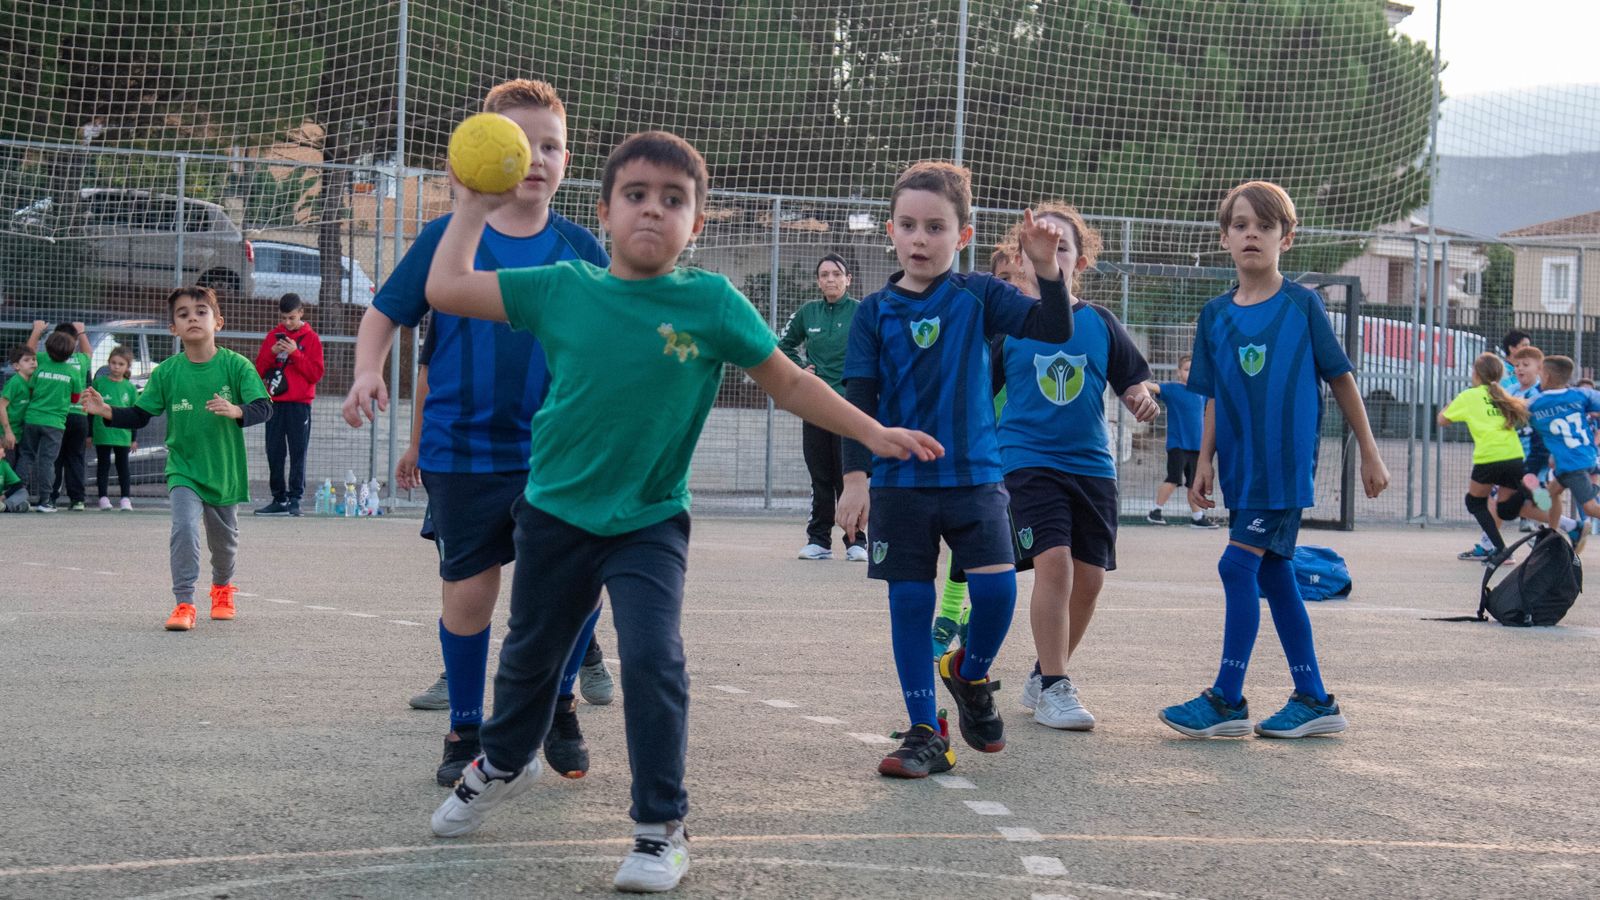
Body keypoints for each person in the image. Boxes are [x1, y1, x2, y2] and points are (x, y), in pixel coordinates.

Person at [421, 129, 939, 893]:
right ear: (604, 213)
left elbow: (792, 384)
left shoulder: (709, 302)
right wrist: (469, 206)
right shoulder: (562, 286)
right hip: (554, 513)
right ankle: (499, 761)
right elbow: (447, 287)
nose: (653, 212)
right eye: (636, 196)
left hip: (649, 520)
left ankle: (660, 828)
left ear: (696, 224)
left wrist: (872, 432)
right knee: (528, 659)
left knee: (656, 659)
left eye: (674, 201)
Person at [343, 79, 616, 788]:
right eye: (521, 144)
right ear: (481, 154)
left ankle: (557, 702)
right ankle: (466, 725)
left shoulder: (581, 246)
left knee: (579, 586)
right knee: (470, 594)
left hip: (560, 450)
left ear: (567, 158)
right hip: (462, 449)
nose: (537, 158)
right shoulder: (445, 238)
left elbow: (616, 333)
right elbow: (384, 312)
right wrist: (367, 369)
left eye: (551, 145)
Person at [835, 161, 1075, 779]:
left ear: (961, 236)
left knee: (996, 593)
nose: (920, 238)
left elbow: (1052, 328)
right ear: (891, 230)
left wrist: (1047, 268)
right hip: (899, 485)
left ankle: (969, 676)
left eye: (935, 227)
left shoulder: (980, 296)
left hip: (974, 477)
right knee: (911, 605)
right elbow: (857, 400)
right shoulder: (872, 311)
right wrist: (855, 479)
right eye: (909, 225)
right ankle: (923, 732)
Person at [1157, 180, 1389, 740]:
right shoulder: (1214, 316)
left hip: (1283, 467)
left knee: (1236, 566)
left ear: (1288, 236)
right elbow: (1211, 395)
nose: (1251, 234)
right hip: (1239, 468)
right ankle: (1314, 699)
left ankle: (1226, 699)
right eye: (1240, 225)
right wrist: (1204, 460)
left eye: (1264, 225)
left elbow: (1341, 379)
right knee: (1275, 575)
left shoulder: (1302, 304)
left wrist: (1371, 456)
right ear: (1224, 238)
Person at [990, 202, 1157, 732]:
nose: (1052, 254)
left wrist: (1140, 396)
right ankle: (1059, 688)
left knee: (1089, 578)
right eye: (1042, 246)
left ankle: (1044, 673)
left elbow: (1133, 379)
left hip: (1092, 467)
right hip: (1026, 461)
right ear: (1022, 260)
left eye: (1063, 247)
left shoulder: (1101, 323)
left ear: (1079, 263)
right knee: (1054, 563)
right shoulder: (1008, 326)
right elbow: (974, 392)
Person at [81, 286, 272, 631]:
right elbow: (140, 415)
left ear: (218, 322)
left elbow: (264, 407)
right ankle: (184, 603)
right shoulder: (167, 372)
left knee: (224, 545)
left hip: (224, 471)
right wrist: (106, 410)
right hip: (183, 468)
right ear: (173, 328)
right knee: (184, 529)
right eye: (183, 314)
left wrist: (237, 410)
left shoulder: (236, 366)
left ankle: (222, 588)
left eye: (201, 312)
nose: (192, 318)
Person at [779, 252, 866, 561]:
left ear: (847, 279)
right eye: (824, 274)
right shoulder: (808, 313)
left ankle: (857, 541)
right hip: (815, 406)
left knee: (851, 474)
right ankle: (819, 541)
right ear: (818, 281)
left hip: (850, 407)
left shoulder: (861, 312)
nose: (830, 279)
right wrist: (800, 367)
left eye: (836, 274)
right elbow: (783, 345)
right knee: (820, 476)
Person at [1438, 353, 1544, 568]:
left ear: (1476, 374)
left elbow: (1442, 420)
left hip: (1489, 457)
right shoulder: (1503, 394)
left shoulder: (1470, 395)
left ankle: (1501, 549)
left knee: (1474, 502)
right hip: (1514, 455)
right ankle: (1526, 491)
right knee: (1504, 508)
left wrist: (1450, 404)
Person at [254, 293, 325, 517]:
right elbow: (258, 370)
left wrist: (295, 353)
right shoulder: (273, 336)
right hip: (274, 402)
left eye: (292, 318)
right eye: (284, 318)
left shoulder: (311, 338)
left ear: (301, 313)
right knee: (274, 450)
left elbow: (315, 374)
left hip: (299, 404)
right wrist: (271, 353)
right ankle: (279, 498)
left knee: (298, 450)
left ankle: (295, 498)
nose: (287, 323)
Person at [1526, 355, 1598, 550]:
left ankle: (1558, 533)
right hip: (1582, 458)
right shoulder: (1579, 395)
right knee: (1552, 493)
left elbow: (1517, 415)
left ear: (1546, 376)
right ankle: (1553, 535)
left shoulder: (1537, 402)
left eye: (1540, 372)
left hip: (1572, 464)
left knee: (1590, 507)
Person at [25, 321, 91, 510]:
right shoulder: (79, 359)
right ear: (74, 343)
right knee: (76, 457)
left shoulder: (44, 359)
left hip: (52, 415)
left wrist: (37, 331)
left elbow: (28, 352)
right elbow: (89, 353)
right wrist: (82, 332)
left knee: (52, 459)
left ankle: (50, 497)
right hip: (76, 415)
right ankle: (77, 499)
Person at [1145, 355, 1214, 528]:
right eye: (1186, 369)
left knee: (1194, 483)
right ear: (1178, 372)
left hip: (1197, 447)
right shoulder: (1172, 389)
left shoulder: (1202, 393)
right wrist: (1132, 378)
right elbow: (1149, 386)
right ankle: (1155, 511)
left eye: (1194, 370)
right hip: (1178, 445)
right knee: (1174, 478)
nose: (1190, 373)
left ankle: (1197, 517)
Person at [92, 346, 140, 510]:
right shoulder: (99, 383)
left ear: (127, 367)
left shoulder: (130, 388)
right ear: (108, 363)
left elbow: (134, 414)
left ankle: (125, 498)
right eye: (113, 363)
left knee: (123, 466)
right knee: (103, 465)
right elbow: (91, 412)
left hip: (122, 435)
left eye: (121, 364)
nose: (116, 367)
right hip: (102, 432)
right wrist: (89, 434)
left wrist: (133, 438)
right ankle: (103, 498)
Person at [1, 345, 36, 456]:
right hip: (7, 434)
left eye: (34, 359)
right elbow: (1, 406)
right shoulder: (15, 382)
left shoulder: (32, 382)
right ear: (16, 366)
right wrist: (7, 432)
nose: (32, 362)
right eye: (26, 360)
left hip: (20, 433)